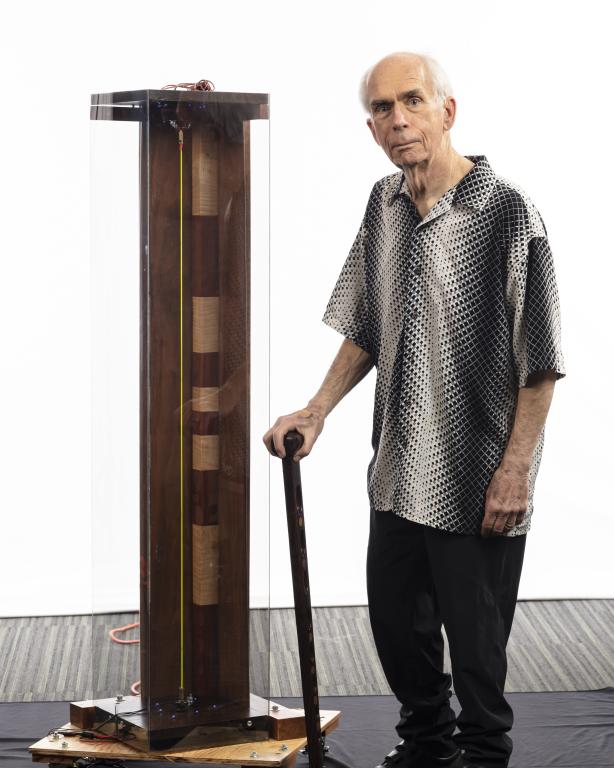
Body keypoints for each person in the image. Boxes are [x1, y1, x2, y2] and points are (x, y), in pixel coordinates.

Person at [263, 51, 566, 768]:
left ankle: (484, 755)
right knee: (398, 630)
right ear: (370, 126)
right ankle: (425, 747)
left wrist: (516, 471)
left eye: (411, 101)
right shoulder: (385, 204)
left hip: (476, 475)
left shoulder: (508, 211)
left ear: (447, 111)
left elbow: (542, 360)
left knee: (477, 650)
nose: (397, 119)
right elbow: (367, 324)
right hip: (398, 470)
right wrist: (317, 409)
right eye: (380, 108)